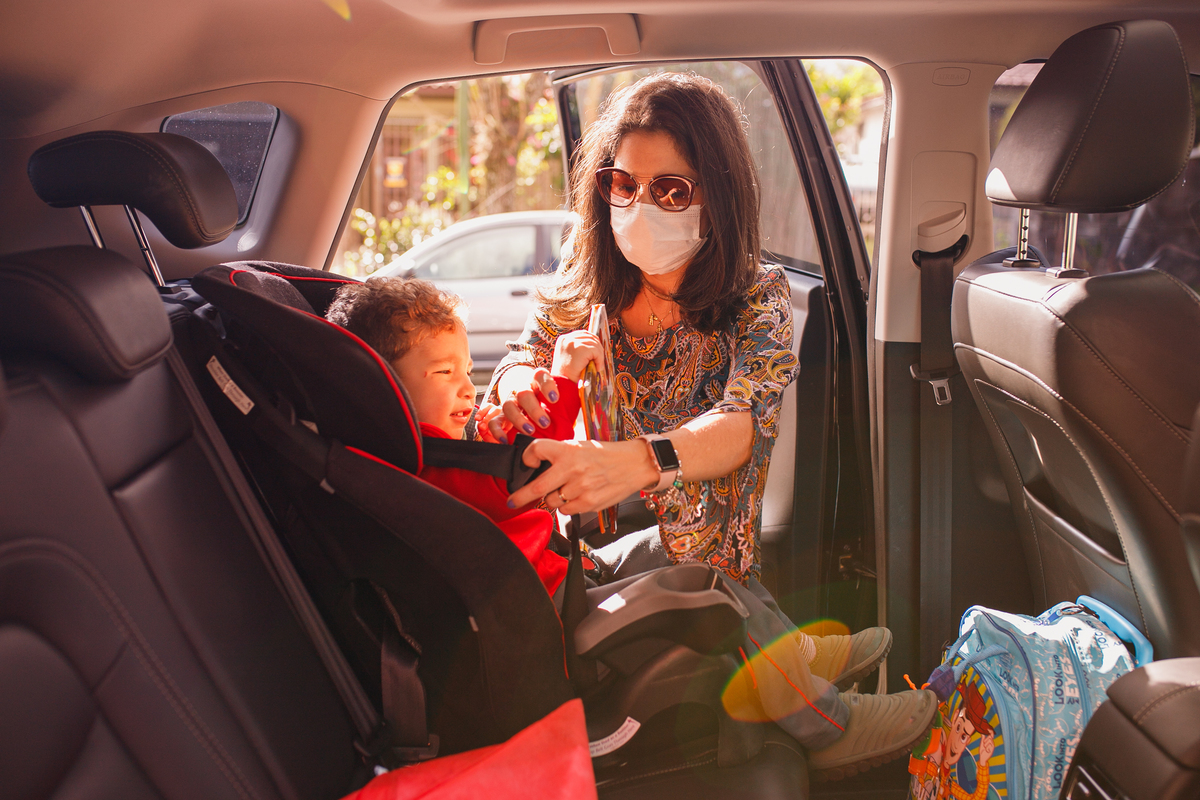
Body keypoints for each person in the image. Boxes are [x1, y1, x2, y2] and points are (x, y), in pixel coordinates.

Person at [483, 71, 937, 778]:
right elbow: (520, 358)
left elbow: (740, 424)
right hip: (591, 550)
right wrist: (519, 384)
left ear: (716, 197)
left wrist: (638, 461)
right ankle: (823, 712)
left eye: (671, 190)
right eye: (621, 184)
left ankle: (794, 666)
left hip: (711, 538)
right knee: (692, 564)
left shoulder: (757, 295)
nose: (639, 206)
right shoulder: (585, 283)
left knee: (701, 558)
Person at [325, 276, 576, 598]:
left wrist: (490, 446)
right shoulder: (423, 465)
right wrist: (564, 379)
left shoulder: (395, 450)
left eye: (467, 372)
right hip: (545, 594)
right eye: (445, 372)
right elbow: (534, 464)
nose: (469, 389)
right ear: (382, 383)